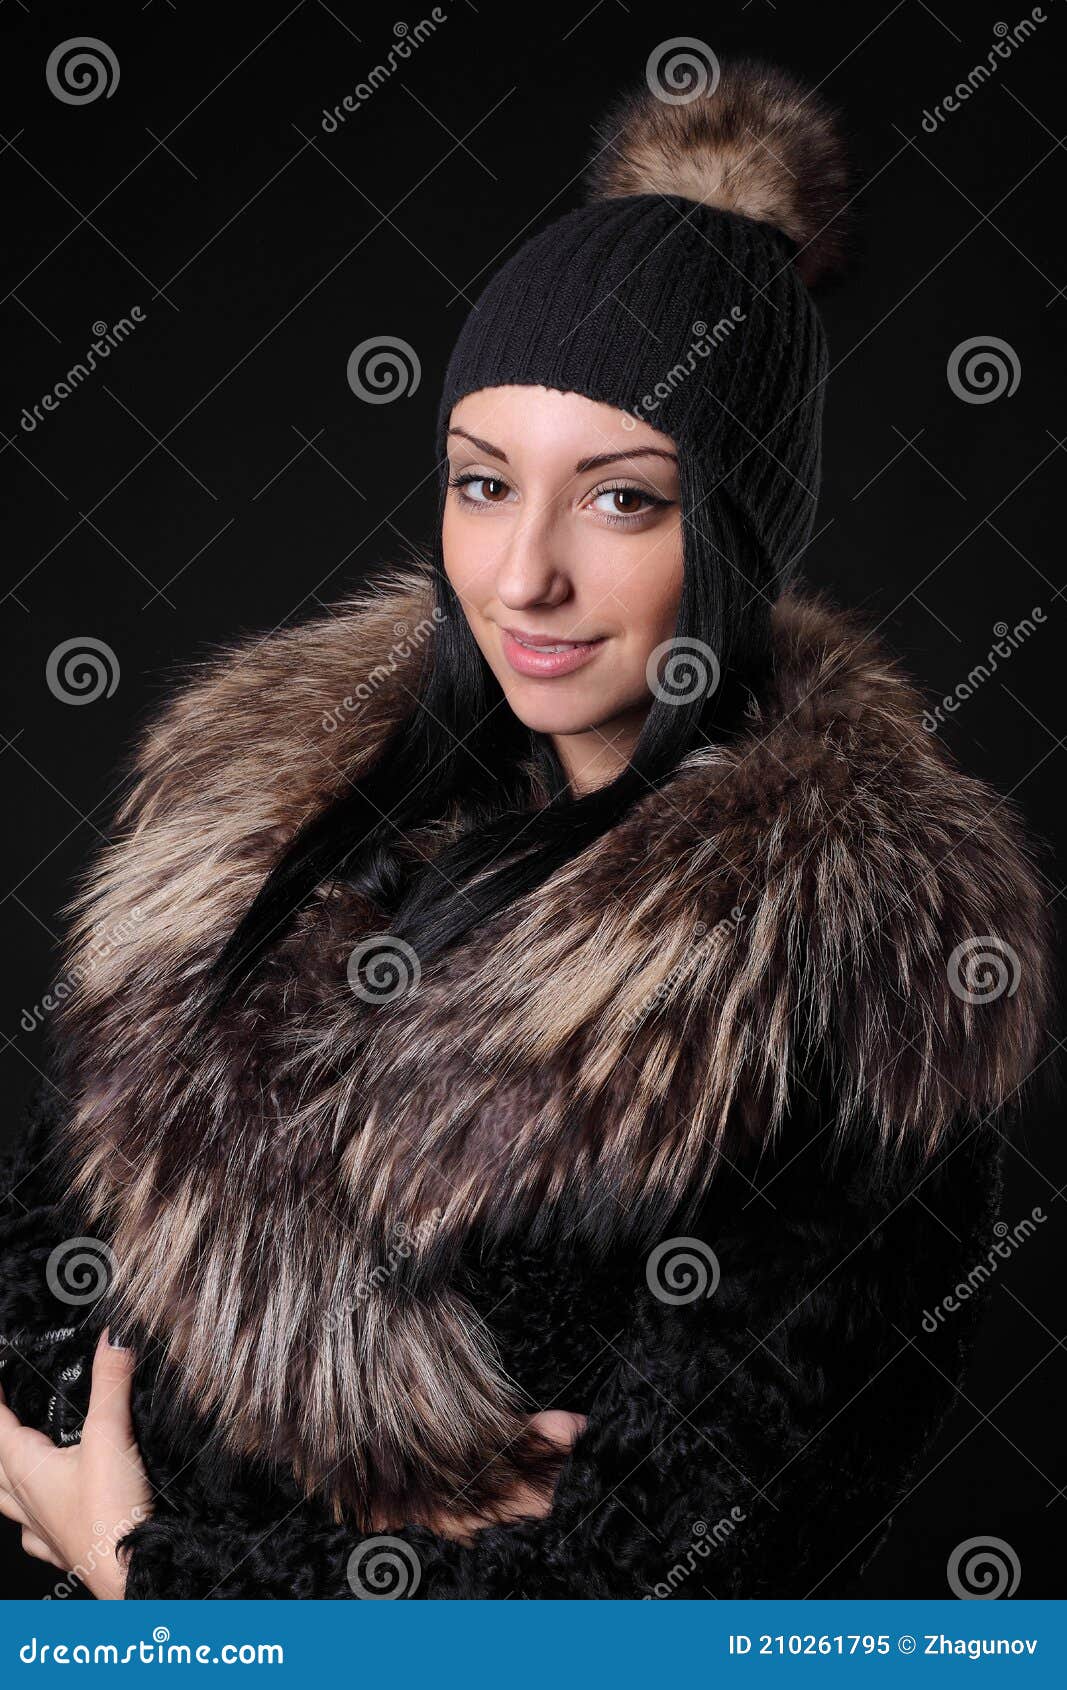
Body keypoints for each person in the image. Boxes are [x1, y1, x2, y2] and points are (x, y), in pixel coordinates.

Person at [0, 57, 1053, 1600]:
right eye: (483, 483)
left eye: (624, 500)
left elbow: (625, 1613)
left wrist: (138, 1552)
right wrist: (336, 1524)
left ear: (737, 530)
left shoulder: (851, 994)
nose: (522, 576)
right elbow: (42, 1265)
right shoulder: (282, 838)